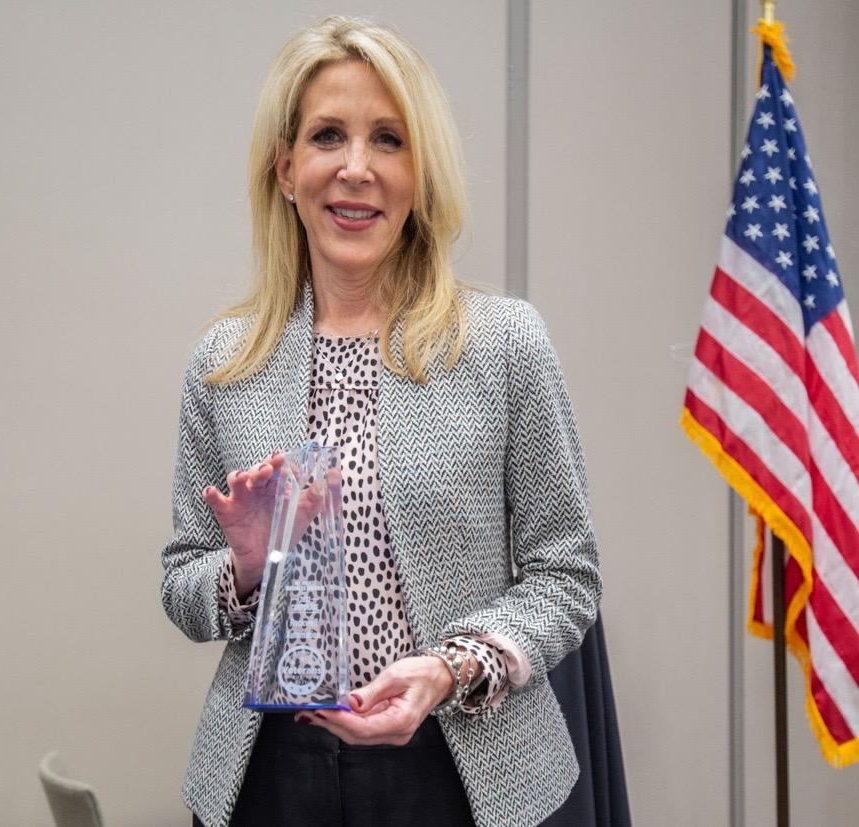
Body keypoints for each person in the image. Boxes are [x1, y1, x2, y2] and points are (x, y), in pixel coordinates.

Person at [161, 16, 600, 827]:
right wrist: (246, 569)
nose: (356, 168)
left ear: (419, 172)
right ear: (286, 168)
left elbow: (566, 576)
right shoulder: (223, 363)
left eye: (388, 140)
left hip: (464, 769)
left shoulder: (503, 344)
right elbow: (181, 579)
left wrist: (450, 666)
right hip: (270, 777)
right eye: (329, 135)